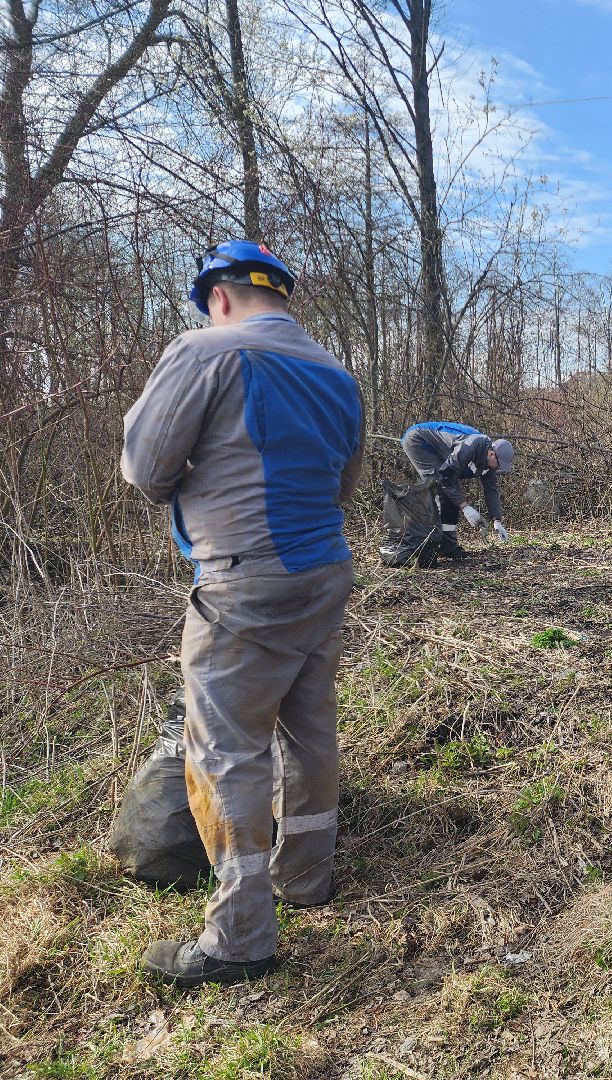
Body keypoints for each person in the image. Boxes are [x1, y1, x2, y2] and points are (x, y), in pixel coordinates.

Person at [121, 240, 365, 987]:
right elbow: (343, 484)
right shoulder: (338, 376)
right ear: (281, 297)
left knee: (226, 751)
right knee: (309, 728)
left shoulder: (206, 351)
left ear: (217, 297)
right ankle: (306, 879)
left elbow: (146, 469)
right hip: (323, 572)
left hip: (242, 582)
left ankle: (240, 938)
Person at [399, 422, 514, 558]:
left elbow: (491, 490)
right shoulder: (469, 447)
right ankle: (426, 543)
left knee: (450, 494)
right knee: (439, 488)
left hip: (438, 450)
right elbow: (446, 476)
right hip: (419, 441)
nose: (498, 469)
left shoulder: (489, 463)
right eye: (499, 465)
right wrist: (465, 507)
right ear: (492, 454)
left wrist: (497, 521)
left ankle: (448, 546)